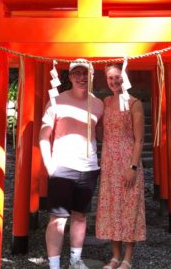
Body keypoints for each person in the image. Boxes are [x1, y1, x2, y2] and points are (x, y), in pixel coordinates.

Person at [39, 59, 104, 269]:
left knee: (80, 215)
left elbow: (100, 133)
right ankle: (54, 264)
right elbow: (44, 134)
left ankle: (76, 260)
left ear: (92, 76)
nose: (81, 78)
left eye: (85, 74)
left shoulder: (98, 104)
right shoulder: (56, 101)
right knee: (58, 218)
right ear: (69, 76)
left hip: (89, 166)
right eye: (76, 73)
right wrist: (49, 165)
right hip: (63, 165)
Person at [96, 63, 146, 269]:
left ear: (124, 77)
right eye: (110, 78)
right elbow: (100, 133)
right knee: (112, 208)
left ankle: (127, 258)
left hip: (127, 161)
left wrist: (133, 166)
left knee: (129, 206)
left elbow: (139, 139)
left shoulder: (135, 103)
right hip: (109, 163)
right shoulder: (105, 102)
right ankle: (115, 256)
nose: (114, 81)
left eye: (117, 77)